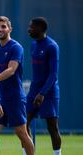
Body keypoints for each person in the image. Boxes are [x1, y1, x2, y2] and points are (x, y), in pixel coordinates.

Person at [0, 16, 35, 155]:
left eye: (3, 26)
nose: (0, 29)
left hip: (15, 98)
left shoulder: (16, 47)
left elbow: (11, 70)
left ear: (10, 29)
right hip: (0, 99)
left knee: (22, 133)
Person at [27, 17, 61, 155]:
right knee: (23, 124)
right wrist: (36, 92)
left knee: (52, 127)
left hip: (49, 92)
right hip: (34, 90)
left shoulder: (52, 46)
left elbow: (53, 74)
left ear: (40, 29)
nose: (29, 29)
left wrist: (42, 93)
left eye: (31, 27)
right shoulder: (33, 45)